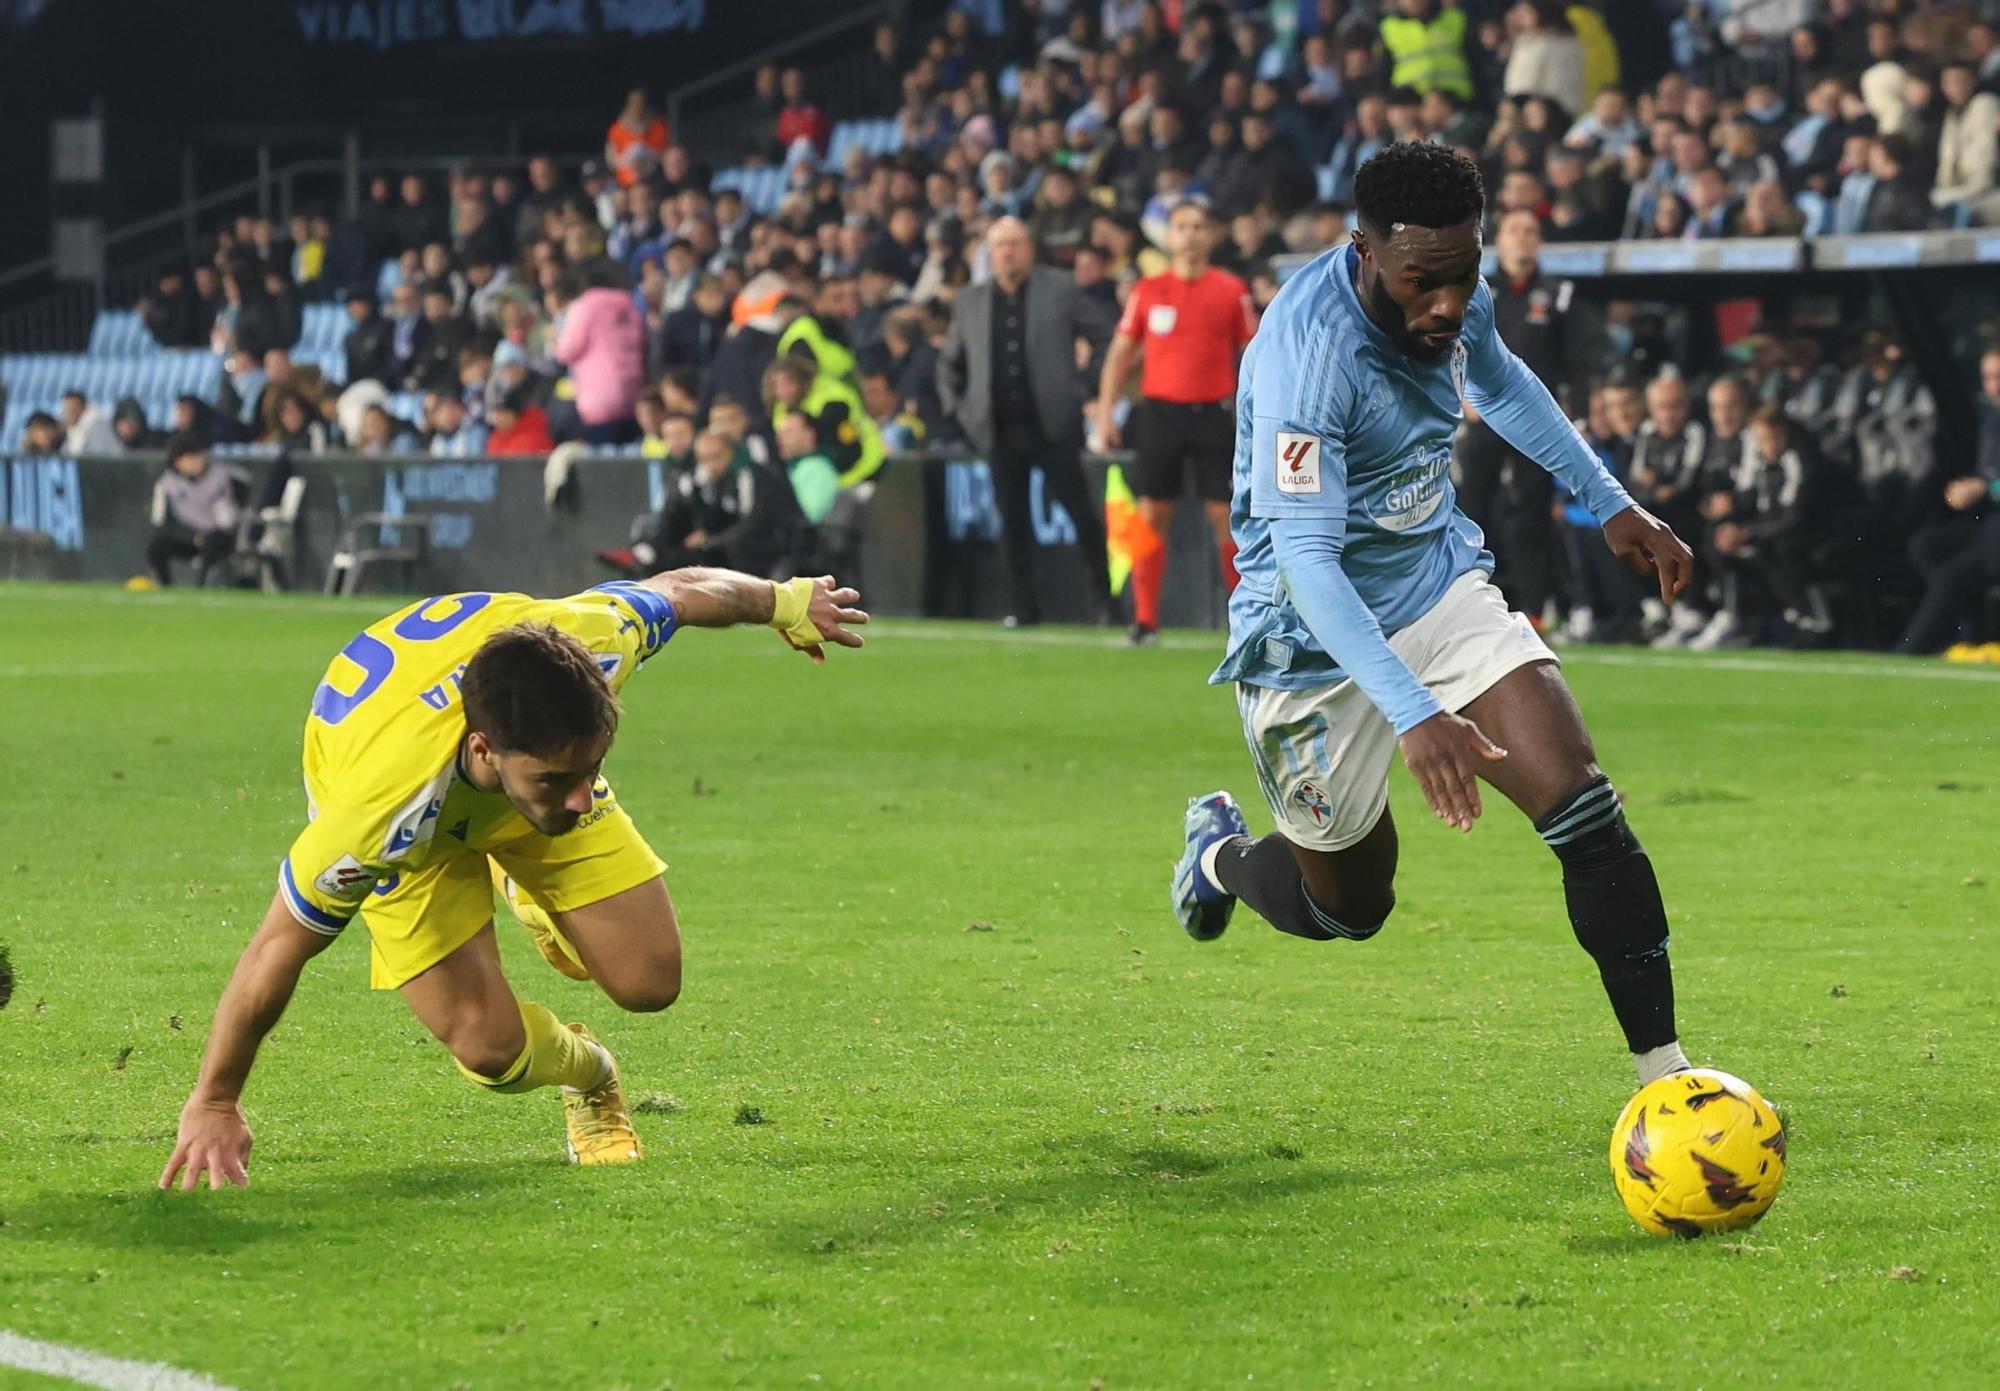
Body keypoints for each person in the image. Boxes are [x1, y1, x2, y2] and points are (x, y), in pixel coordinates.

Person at [1171, 143, 1702, 1091]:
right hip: (1308, 642)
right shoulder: (1309, 356)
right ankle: (1219, 858)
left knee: (1585, 811)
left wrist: (1611, 499)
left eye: (1465, 276)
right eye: (1424, 283)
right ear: (1365, 252)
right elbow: (1306, 558)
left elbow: (1500, 381)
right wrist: (1413, 712)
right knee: (1348, 907)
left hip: (1438, 586)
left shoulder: (1453, 285)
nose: (1448, 305)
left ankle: (1670, 1081)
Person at [158, 569, 866, 1189]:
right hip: (419, 843)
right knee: (489, 1049)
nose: (585, 794)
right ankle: (592, 1074)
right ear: (484, 750)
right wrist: (216, 1100)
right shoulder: (376, 813)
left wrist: (786, 600)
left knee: (650, 980)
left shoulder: (588, 642)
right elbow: (276, 946)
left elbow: (682, 588)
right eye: (562, 777)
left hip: (501, 790)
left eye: (593, 769)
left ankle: (524, 866)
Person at [938, 217, 1119, 626]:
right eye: (1000, 245)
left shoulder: (1060, 289)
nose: (1007, 252)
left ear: (1030, 248)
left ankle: (1106, 602)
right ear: (989, 252)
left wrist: (1084, 389)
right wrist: (963, 412)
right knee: (1012, 522)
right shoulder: (970, 300)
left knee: (1082, 515)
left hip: (1053, 424)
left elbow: (1108, 336)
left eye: (1015, 243)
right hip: (998, 428)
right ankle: (1025, 607)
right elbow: (949, 365)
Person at [1093, 197, 1257, 645]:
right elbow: (1119, 356)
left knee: (1224, 514)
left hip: (1212, 413)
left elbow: (1257, 350)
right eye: (1181, 227)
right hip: (1159, 413)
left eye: (1197, 227)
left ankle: (1244, 621)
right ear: (1169, 235)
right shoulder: (1148, 290)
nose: (1189, 235)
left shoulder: (1230, 289)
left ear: (1210, 236)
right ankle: (1145, 620)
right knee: (1153, 512)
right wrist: (1106, 413)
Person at [1452, 209, 1580, 629]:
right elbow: (1454, 345)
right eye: (1514, 231)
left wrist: (1570, 410)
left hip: (1536, 422)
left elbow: (1574, 363)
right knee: (1472, 508)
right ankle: (1465, 602)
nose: (1522, 238)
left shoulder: (1559, 294)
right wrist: (1463, 394)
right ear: (1498, 240)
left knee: (1532, 512)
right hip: (1484, 415)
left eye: (1530, 231)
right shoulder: (1476, 291)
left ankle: (1535, 608)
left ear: (1539, 241)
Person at [1900, 347, 2000, 653]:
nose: (1992, 386)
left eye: (1999, 377)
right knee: (1926, 546)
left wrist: (1987, 488)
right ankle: (1971, 633)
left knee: (1951, 577)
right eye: (1987, 378)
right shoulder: (1991, 418)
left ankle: (1908, 652)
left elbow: (1990, 481)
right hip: (1990, 525)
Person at [554, 270, 646, 446]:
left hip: (600, 395)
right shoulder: (629, 305)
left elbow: (567, 350)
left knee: (604, 462)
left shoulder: (586, 305)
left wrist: (554, 340)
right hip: (632, 390)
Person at [146, 434, 248, 587]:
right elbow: (162, 522)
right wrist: (192, 535)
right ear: (177, 462)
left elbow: (241, 508)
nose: (197, 461)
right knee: (157, 545)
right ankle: (164, 587)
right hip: (189, 537)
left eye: (199, 455)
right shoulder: (166, 484)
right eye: (190, 457)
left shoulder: (224, 475)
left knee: (213, 542)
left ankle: (201, 587)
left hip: (222, 536)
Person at [606, 89, 669, 189]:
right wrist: (628, 161)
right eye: (633, 103)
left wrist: (648, 158)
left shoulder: (658, 126)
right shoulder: (617, 129)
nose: (637, 107)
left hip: (653, 178)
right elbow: (612, 160)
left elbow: (665, 154)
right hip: (625, 182)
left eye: (641, 103)